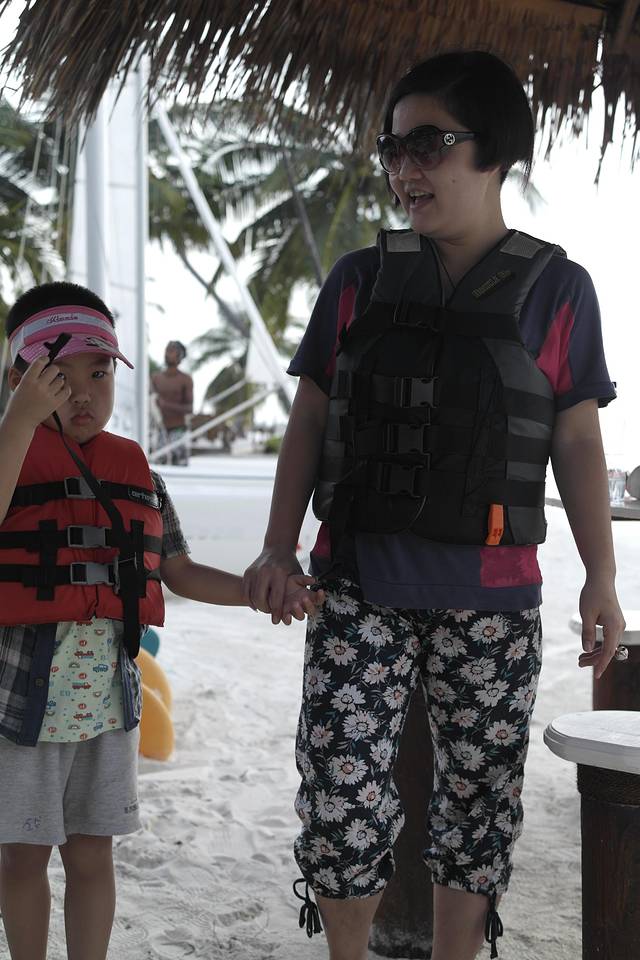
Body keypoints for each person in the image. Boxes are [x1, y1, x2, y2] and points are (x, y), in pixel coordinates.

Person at [243, 50, 625, 960]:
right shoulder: (357, 280)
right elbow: (310, 417)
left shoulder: (560, 289)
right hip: (358, 584)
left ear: (495, 151)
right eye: (392, 147)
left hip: (493, 598)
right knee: (339, 800)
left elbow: (576, 440)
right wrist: (276, 546)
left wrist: (601, 575)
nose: (403, 167)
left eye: (428, 144)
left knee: (480, 803)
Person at [0, 281, 323, 960]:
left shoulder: (139, 472)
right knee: (22, 858)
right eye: (59, 379)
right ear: (19, 379)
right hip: (20, 707)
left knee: (93, 853)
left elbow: (178, 570)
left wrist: (257, 593)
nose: (83, 395)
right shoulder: (9, 453)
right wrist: (19, 420)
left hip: (107, 706)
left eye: (99, 375)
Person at [151, 340, 193, 465]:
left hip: (178, 431)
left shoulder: (185, 379)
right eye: (167, 350)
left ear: (180, 356)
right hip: (160, 431)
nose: (167, 353)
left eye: (171, 350)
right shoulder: (156, 378)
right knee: (158, 467)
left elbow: (189, 408)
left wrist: (166, 405)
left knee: (179, 466)